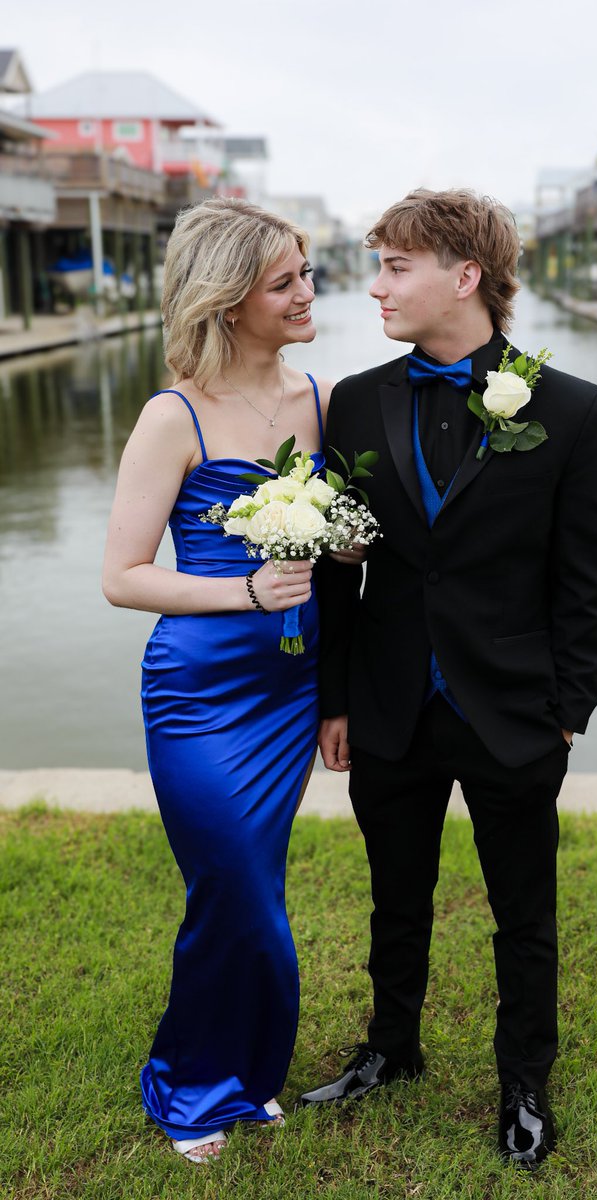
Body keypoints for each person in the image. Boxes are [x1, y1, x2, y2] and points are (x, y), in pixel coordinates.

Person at [301, 189, 597, 1172]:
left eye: (395, 266)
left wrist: (566, 711)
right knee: (394, 896)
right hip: (389, 702)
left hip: (513, 709)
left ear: (464, 276)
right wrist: (336, 697)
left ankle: (522, 1080)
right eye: (378, 265)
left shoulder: (569, 409)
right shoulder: (353, 400)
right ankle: (389, 1052)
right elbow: (334, 562)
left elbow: (583, 577)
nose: (376, 285)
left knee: (523, 908)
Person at [102, 196, 358, 1164]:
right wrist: (243, 588)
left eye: (304, 273)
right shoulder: (172, 415)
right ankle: (189, 1087)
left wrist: (342, 543)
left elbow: (339, 554)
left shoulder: (321, 401)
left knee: (258, 884)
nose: (306, 291)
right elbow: (122, 576)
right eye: (284, 280)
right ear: (226, 298)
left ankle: (245, 1075)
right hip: (200, 697)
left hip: (291, 689)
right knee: (236, 893)